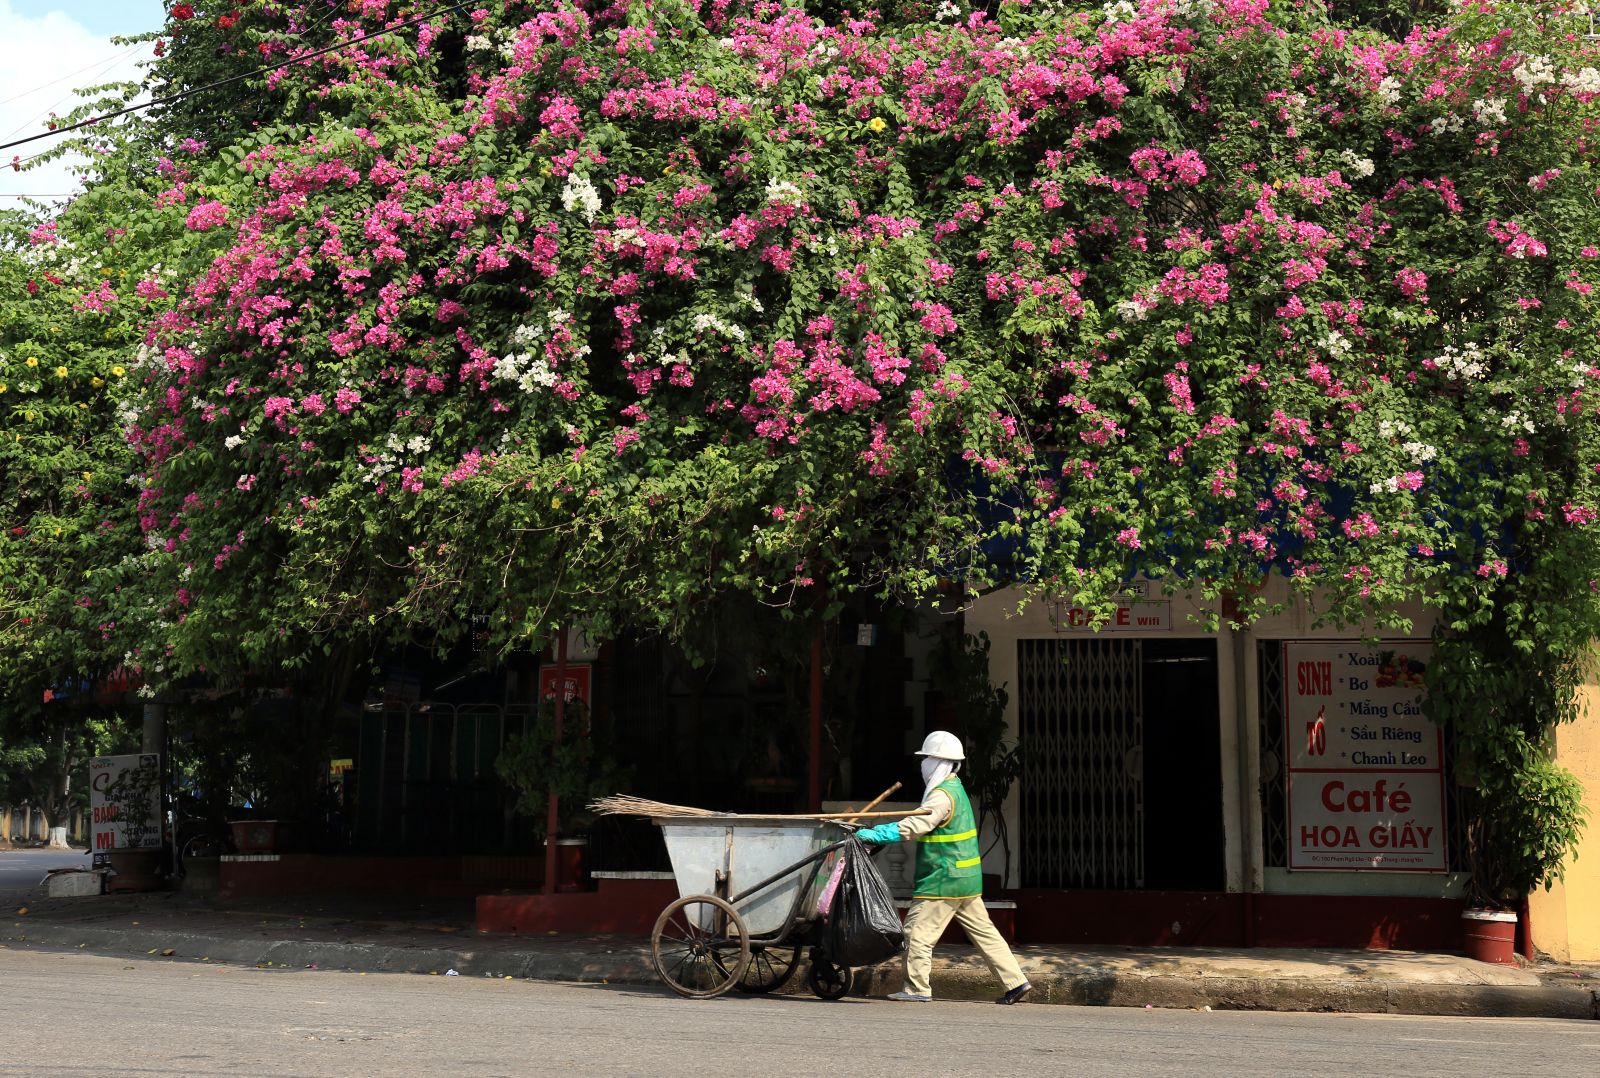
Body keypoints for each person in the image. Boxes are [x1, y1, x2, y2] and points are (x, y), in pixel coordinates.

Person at [855, 730, 1032, 1004]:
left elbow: (916, 825)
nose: (923, 764)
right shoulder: (956, 789)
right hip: (966, 880)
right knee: (985, 934)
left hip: (943, 879)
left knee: (916, 932)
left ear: (939, 762)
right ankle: (1016, 982)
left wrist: (874, 834)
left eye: (927, 759)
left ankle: (917, 989)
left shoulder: (940, 796)